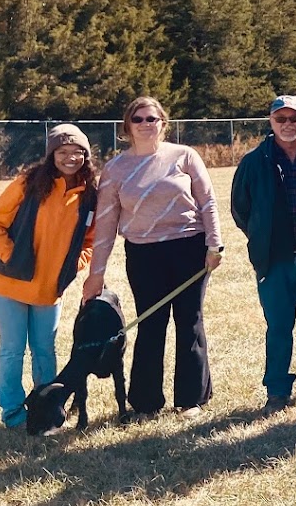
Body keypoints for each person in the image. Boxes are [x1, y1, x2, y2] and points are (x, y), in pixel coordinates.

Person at [82, 97, 222, 419]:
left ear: (163, 123)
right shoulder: (116, 169)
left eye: (152, 119)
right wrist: (96, 273)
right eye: (139, 119)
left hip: (190, 247)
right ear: (127, 126)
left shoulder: (184, 156)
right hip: (143, 254)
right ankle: (146, 402)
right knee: (150, 323)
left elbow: (208, 202)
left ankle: (190, 399)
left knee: (190, 320)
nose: (146, 124)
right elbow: (105, 225)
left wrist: (215, 245)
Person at [0, 124, 96, 428]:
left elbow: (90, 241)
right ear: (51, 154)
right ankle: (13, 413)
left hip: (49, 289)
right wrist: (12, 258)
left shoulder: (89, 195)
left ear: (86, 156)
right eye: (63, 152)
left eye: (77, 152)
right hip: (8, 284)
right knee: (12, 350)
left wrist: (75, 264)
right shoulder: (28, 183)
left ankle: (46, 407)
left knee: (45, 350)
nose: (70, 158)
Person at [230, 95, 296, 414]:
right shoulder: (254, 161)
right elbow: (240, 210)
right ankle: (276, 390)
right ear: (271, 121)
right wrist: (263, 238)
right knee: (278, 327)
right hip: (275, 261)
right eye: (280, 119)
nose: (287, 125)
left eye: (294, 118)